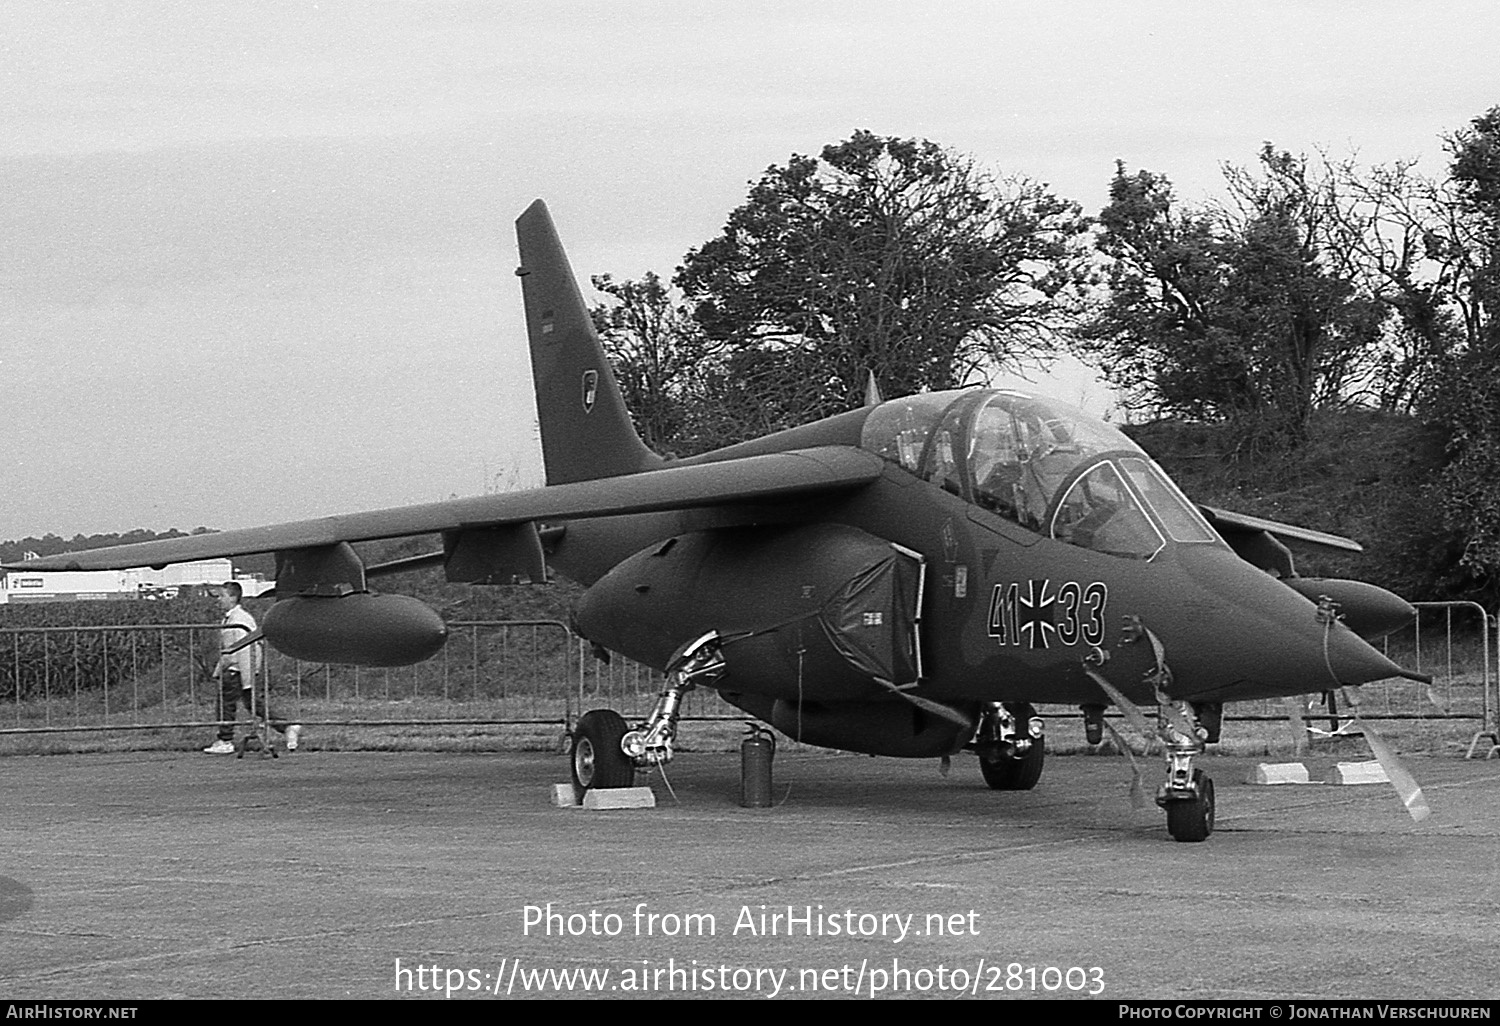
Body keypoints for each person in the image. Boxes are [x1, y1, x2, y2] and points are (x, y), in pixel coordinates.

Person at [203, 582, 302, 753]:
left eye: (222, 596)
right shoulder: (235, 618)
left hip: (237, 670)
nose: (218, 600)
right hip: (238, 669)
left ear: (233, 597)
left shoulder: (239, 620)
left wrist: (245, 677)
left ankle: (225, 739)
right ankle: (286, 726)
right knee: (253, 704)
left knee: (225, 704)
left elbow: (242, 648)